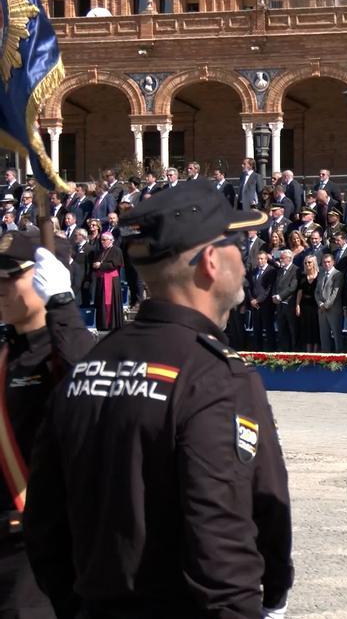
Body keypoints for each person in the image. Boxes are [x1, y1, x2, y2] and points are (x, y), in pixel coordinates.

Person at [23, 179, 292, 617]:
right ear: (210, 261)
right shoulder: (212, 376)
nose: (245, 260)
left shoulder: (92, 364)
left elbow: (44, 525)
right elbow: (224, 536)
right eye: (237, 246)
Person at [0, 232, 94, 618]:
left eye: (11, 276)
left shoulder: (64, 352)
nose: (1, 287)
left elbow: (86, 387)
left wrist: (63, 306)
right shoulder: (7, 353)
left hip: (41, 545)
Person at [90, 231, 123, 330]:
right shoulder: (100, 251)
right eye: (101, 240)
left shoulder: (116, 250)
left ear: (111, 240)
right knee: (101, 302)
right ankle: (102, 324)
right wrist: (95, 265)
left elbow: (115, 264)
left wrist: (100, 265)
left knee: (110, 302)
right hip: (101, 279)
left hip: (112, 280)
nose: (102, 242)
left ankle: (112, 324)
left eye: (105, 240)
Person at [316, 252, 345, 353]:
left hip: (333, 309)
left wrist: (326, 305)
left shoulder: (338, 274)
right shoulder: (321, 274)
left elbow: (335, 293)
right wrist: (320, 304)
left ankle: (339, 357)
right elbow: (317, 292)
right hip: (322, 309)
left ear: (333, 262)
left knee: (337, 335)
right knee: (324, 335)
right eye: (324, 262)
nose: (326, 264)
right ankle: (326, 357)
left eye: (328, 262)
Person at [249, 250, 278, 350]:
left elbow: (269, 289)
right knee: (257, 329)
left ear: (266, 259)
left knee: (268, 328)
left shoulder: (271, 271)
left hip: (266, 304)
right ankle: (258, 351)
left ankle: (271, 352)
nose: (260, 261)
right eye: (258, 259)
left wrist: (258, 300)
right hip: (255, 305)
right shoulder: (254, 271)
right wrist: (252, 299)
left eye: (262, 259)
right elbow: (249, 287)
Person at [272, 248, 299, 350]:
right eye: (280, 258)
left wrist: (280, 296)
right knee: (282, 330)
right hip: (279, 305)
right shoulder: (280, 271)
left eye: (282, 258)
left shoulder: (296, 270)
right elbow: (276, 285)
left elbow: (292, 287)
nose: (280, 260)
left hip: (290, 304)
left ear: (289, 258)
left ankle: (294, 352)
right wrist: (274, 295)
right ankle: (283, 352)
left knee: (292, 329)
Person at [296, 255, 321, 352]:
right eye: (305, 263)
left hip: (316, 305)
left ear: (314, 263)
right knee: (306, 328)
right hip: (305, 305)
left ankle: (315, 352)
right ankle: (308, 352)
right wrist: (297, 305)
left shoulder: (319, 275)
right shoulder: (302, 276)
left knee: (315, 328)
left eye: (309, 262)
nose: (307, 264)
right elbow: (299, 292)